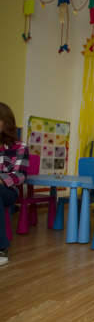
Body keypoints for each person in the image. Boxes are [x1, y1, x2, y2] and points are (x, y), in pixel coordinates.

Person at [0, 103, 29, 266]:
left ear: (6, 122)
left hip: (6, 191)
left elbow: (19, 175)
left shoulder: (19, 147)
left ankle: (1, 248)